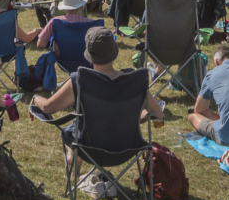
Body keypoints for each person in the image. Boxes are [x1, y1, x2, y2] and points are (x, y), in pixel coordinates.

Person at [32, 26, 164, 184]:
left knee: (76, 127)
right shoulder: (134, 79)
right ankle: (75, 169)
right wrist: (132, 116)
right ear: (114, 52)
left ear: (89, 55)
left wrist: (35, 98)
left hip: (89, 148)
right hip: (127, 148)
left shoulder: (79, 79)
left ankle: (75, 170)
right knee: (79, 126)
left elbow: (48, 108)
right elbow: (158, 114)